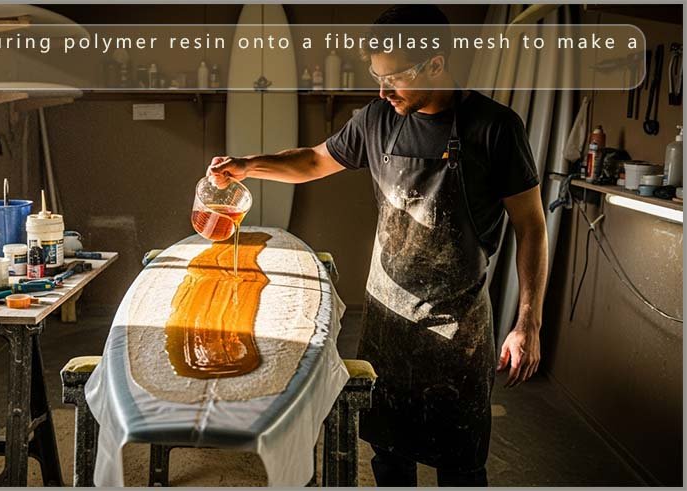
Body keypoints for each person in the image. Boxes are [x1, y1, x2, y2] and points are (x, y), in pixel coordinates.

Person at [206, 4, 548, 486]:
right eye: (376, 76)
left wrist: (528, 321)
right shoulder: (376, 120)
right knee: (388, 459)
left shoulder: (495, 128)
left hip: (459, 333)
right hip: (387, 325)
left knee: (461, 468)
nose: (382, 90)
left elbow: (532, 227)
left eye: (394, 78)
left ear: (435, 63)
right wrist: (247, 165)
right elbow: (310, 162)